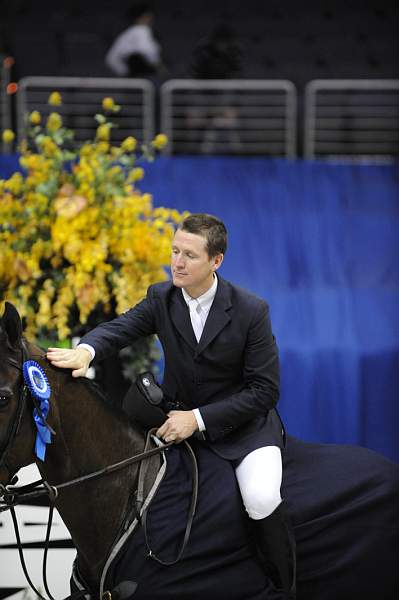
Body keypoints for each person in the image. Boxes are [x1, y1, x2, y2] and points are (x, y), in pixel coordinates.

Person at [47, 213, 295, 599]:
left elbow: (264, 391)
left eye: (189, 256)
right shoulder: (161, 297)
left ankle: (284, 587)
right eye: (175, 251)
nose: (176, 262)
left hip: (242, 429)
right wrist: (86, 350)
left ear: (216, 261)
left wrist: (196, 420)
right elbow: (121, 328)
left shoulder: (251, 311)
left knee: (261, 498)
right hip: (174, 421)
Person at [105, 2, 165, 79]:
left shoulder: (128, 33)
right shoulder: (141, 30)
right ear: (140, 17)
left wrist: (126, 74)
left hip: (134, 74)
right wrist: (159, 67)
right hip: (142, 73)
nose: (150, 20)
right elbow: (147, 50)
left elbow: (110, 59)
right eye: (148, 17)